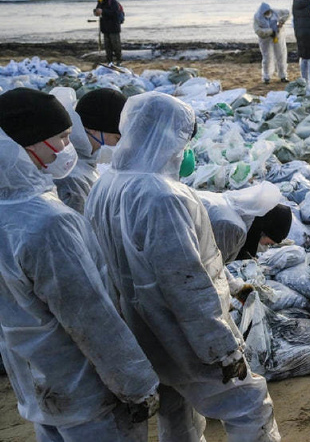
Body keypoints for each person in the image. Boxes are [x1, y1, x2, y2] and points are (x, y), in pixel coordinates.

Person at [85, 92, 281, 441]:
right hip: (178, 334)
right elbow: (185, 280)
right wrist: (221, 346)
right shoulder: (164, 196)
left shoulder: (105, 184)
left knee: (178, 413)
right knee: (249, 404)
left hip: (136, 331)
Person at [0, 88, 159, 441]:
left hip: (39, 383)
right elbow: (89, 314)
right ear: (27, 145)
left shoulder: (11, 211)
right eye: (60, 137)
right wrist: (137, 383)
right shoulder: (49, 222)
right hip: (84, 386)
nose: (67, 147)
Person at [53, 88, 127, 214]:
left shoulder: (84, 161)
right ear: (92, 129)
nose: (118, 145)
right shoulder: (71, 175)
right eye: (117, 138)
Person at [198, 183, 293, 263]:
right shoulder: (234, 227)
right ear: (264, 231)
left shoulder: (231, 205)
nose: (266, 247)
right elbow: (212, 264)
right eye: (268, 244)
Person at [253, 2, 291, 84]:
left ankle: (283, 75)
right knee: (267, 57)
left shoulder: (275, 12)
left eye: (268, 12)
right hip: (265, 39)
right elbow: (257, 30)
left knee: (281, 55)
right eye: (266, 13)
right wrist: (270, 32)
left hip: (278, 36)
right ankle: (266, 77)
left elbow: (288, 12)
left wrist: (282, 21)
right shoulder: (257, 17)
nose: (268, 13)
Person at [93, 0, 123, 65]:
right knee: (107, 47)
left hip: (114, 27)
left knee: (116, 45)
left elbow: (115, 13)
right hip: (105, 27)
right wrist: (96, 12)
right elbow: (97, 10)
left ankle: (119, 61)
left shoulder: (113, 1)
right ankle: (109, 62)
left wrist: (103, 11)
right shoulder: (100, 1)